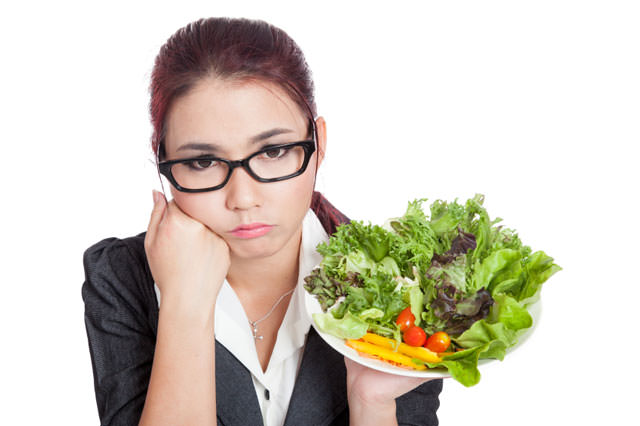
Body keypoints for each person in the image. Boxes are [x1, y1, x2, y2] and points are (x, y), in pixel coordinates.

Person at [82, 17, 442, 426]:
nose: (243, 198)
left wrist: (371, 404)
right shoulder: (122, 276)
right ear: (163, 159)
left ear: (318, 144)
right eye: (202, 162)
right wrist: (184, 301)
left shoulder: (402, 282)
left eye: (272, 152)